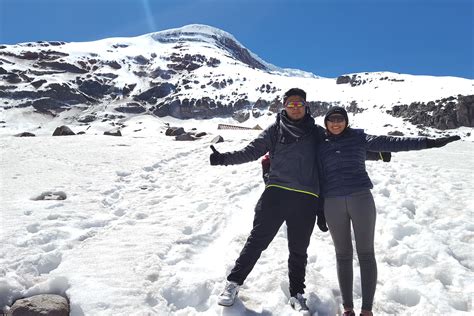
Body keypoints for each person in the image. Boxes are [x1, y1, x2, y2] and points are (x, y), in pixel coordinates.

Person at [318, 106, 461, 316]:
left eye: (340, 119)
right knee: (343, 255)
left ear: (347, 121)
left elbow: (393, 143)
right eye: (332, 119)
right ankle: (348, 308)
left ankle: (366, 310)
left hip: (361, 199)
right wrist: (317, 209)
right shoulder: (319, 143)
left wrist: (428, 142)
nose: (336, 123)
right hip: (332, 202)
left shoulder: (359, 138)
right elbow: (309, 169)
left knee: (366, 254)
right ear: (326, 123)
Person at [210, 88, 324, 312]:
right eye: (290, 104)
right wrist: (224, 158)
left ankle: (297, 294)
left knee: (299, 249)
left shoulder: (318, 133)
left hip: (306, 198)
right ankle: (233, 284)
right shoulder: (275, 130)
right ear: (284, 106)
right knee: (257, 241)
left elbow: (339, 148)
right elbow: (252, 151)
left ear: (306, 106)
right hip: (276, 194)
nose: (295, 107)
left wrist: (375, 153)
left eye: (299, 103)